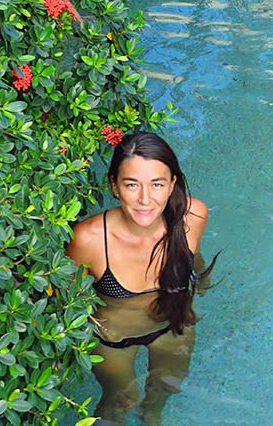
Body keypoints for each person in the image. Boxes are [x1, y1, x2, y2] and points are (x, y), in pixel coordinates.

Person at [67, 131, 216, 426]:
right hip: (113, 340)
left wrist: (202, 279)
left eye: (157, 184)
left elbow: (194, 254)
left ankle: (152, 415)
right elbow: (66, 305)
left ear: (172, 184)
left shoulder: (193, 215)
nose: (145, 199)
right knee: (119, 402)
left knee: (165, 388)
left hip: (173, 325)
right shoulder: (88, 240)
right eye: (132, 184)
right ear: (114, 186)